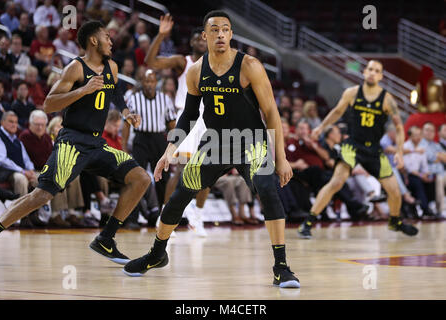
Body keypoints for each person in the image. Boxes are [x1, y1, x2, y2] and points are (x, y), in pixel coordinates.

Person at [123, 11, 300, 289]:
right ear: (204, 36)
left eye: (225, 29)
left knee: (267, 189)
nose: (220, 34)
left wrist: (281, 157)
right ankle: (157, 253)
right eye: (214, 30)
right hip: (214, 143)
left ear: (231, 35)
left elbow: (271, 113)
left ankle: (281, 267)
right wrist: (169, 150)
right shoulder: (195, 70)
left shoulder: (249, 65)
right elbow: (189, 116)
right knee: (181, 194)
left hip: (250, 142)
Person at [0, 21, 150, 266]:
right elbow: (48, 104)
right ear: (93, 40)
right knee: (41, 196)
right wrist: (83, 91)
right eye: (107, 37)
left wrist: (126, 112)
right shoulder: (75, 68)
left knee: (141, 178)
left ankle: (106, 239)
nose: (112, 41)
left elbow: (116, 93)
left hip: (96, 144)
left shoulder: (112, 66)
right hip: (72, 141)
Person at [298, 60, 418, 238]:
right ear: (364, 72)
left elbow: (399, 128)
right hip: (353, 146)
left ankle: (395, 221)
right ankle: (308, 222)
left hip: (374, 150)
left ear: (381, 76)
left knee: (394, 190)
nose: (372, 73)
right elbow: (337, 112)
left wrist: (399, 152)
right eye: (370, 69)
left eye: (376, 71)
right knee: (337, 181)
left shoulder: (387, 99)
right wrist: (321, 128)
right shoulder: (352, 92)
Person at [145, 14, 210, 237]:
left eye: (204, 38)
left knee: (208, 171)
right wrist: (161, 36)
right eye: (197, 39)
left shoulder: (217, 64)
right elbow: (150, 62)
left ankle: (197, 217)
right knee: (181, 169)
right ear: (192, 42)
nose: (201, 42)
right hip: (188, 117)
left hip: (209, 120)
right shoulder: (184, 61)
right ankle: (165, 217)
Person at [123, 69, 176, 229]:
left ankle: (161, 216)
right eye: (146, 81)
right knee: (137, 177)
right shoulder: (133, 98)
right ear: (141, 82)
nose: (149, 84)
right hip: (141, 139)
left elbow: (172, 123)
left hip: (160, 139)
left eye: (152, 81)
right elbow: (126, 125)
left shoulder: (165, 99)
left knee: (163, 179)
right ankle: (132, 218)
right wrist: (124, 146)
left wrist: (174, 145)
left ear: (156, 82)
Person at [420, 122, 445, 216]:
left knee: (441, 177)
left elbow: (444, 158)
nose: (429, 132)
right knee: (439, 179)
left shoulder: (436, 145)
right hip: (430, 173)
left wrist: (437, 157)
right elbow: (429, 157)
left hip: (442, 172)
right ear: (422, 132)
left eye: (432, 131)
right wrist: (438, 157)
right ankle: (440, 209)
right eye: (427, 130)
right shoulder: (420, 144)